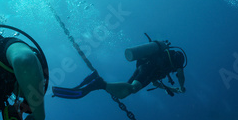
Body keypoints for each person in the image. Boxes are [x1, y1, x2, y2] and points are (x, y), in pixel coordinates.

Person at [52, 36, 187, 99]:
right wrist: (181, 86)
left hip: (143, 68)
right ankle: (100, 83)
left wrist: (170, 89)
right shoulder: (178, 58)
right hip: (147, 69)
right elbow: (180, 74)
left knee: (124, 93)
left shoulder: (164, 63)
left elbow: (154, 82)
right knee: (132, 89)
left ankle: (97, 83)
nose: (175, 71)